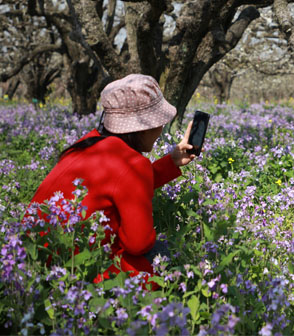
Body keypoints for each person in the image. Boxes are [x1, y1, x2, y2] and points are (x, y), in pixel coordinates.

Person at [30, 74, 197, 282]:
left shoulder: (88, 143)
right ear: (142, 126)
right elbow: (139, 244)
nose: (161, 128)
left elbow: (118, 182)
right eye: (159, 121)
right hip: (81, 272)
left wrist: (170, 163)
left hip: (32, 259)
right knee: (170, 253)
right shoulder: (133, 165)